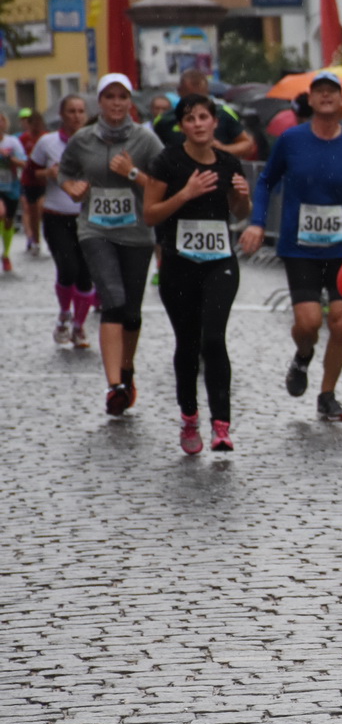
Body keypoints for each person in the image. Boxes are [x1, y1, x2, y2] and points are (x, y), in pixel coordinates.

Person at [238, 70, 342, 422]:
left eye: (331, 91)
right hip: (300, 246)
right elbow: (266, 182)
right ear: (311, 99)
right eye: (318, 91)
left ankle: (327, 394)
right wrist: (257, 222)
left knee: (341, 321)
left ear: (341, 100)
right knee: (308, 323)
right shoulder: (291, 140)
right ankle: (302, 356)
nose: (325, 96)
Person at [140, 94, 251, 454]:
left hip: (220, 261)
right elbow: (151, 215)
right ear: (182, 125)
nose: (198, 124)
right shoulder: (168, 160)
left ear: (215, 122)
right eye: (191, 119)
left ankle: (222, 425)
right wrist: (185, 194)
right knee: (187, 343)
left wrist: (242, 197)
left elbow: (238, 213)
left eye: (204, 117)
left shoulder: (229, 162)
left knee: (214, 339)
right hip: (178, 263)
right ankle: (189, 416)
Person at [55, 75, 166, 413]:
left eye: (122, 97)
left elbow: (163, 187)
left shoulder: (146, 141)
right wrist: (69, 186)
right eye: (109, 97)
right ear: (99, 102)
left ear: (130, 102)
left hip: (135, 233)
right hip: (95, 230)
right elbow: (65, 170)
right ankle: (114, 384)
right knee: (113, 301)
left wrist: (133, 173)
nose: (116, 103)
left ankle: (126, 369)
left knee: (131, 311)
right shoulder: (82, 139)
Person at [31, 96, 97, 347]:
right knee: (68, 269)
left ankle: (79, 326)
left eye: (81, 111)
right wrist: (47, 173)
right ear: (62, 114)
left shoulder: (95, 142)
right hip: (57, 217)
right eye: (71, 111)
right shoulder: (47, 143)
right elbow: (30, 175)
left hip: (89, 217)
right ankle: (63, 315)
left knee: (86, 276)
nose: (77, 116)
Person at [153, 69, 255, 160]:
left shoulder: (223, 113)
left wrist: (222, 149)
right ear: (180, 91)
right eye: (191, 97)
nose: (198, 124)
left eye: (201, 97)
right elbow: (152, 154)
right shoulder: (164, 120)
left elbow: (247, 144)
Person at [19, 108, 48, 256]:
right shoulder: (24, 139)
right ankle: (35, 240)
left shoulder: (45, 137)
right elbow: (20, 155)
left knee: (41, 208)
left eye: (38, 123)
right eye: (33, 124)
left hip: (43, 181)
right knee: (31, 212)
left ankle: (45, 237)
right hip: (28, 180)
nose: (36, 126)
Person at [0, 110, 24, 271]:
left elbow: (24, 163)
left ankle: (6, 254)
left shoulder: (12, 142)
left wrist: (9, 158)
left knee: (8, 222)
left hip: (11, 186)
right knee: (0, 212)